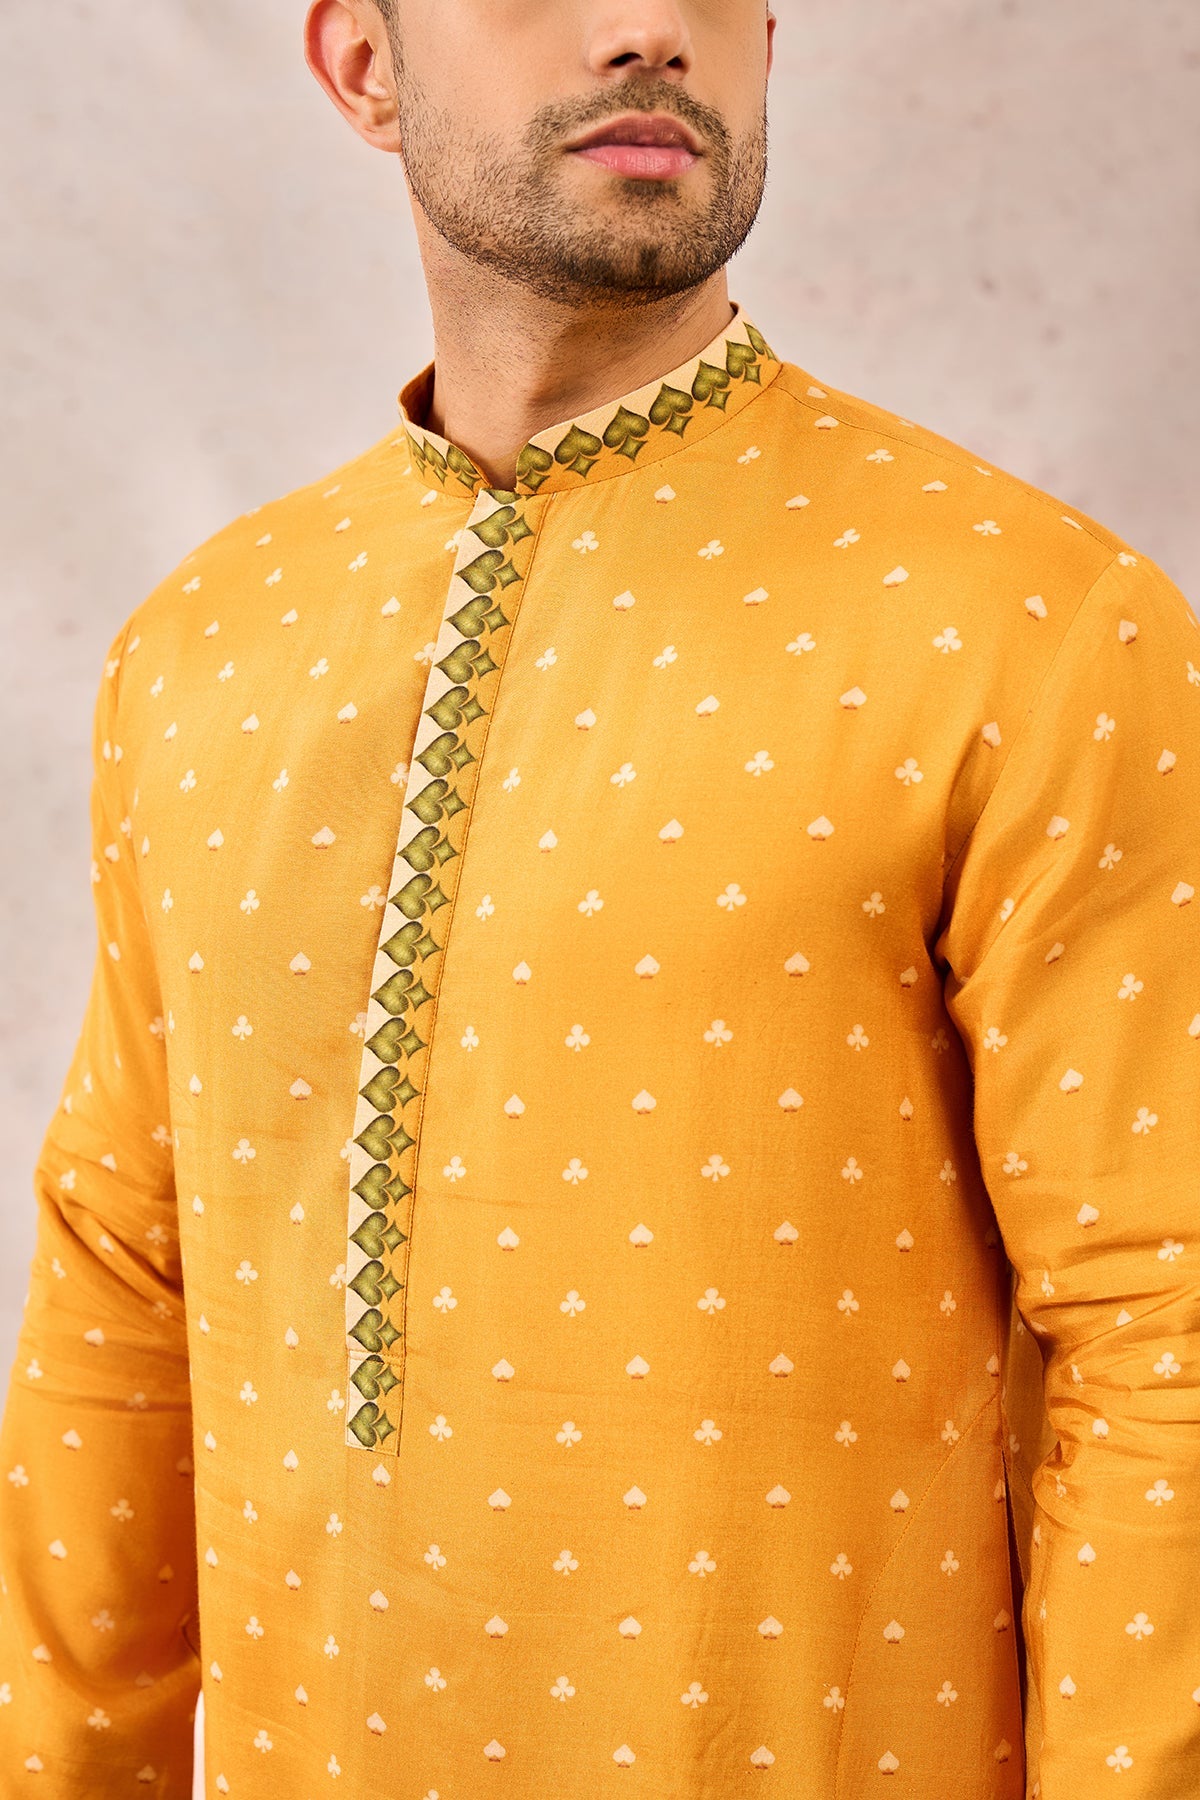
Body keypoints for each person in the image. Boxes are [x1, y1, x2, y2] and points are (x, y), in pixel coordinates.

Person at [1, 1, 1196, 1794]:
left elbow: (1164, 1328)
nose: (648, 29)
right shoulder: (202, 647)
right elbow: (121, 1283)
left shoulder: (1029, 624)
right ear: (365, 67)